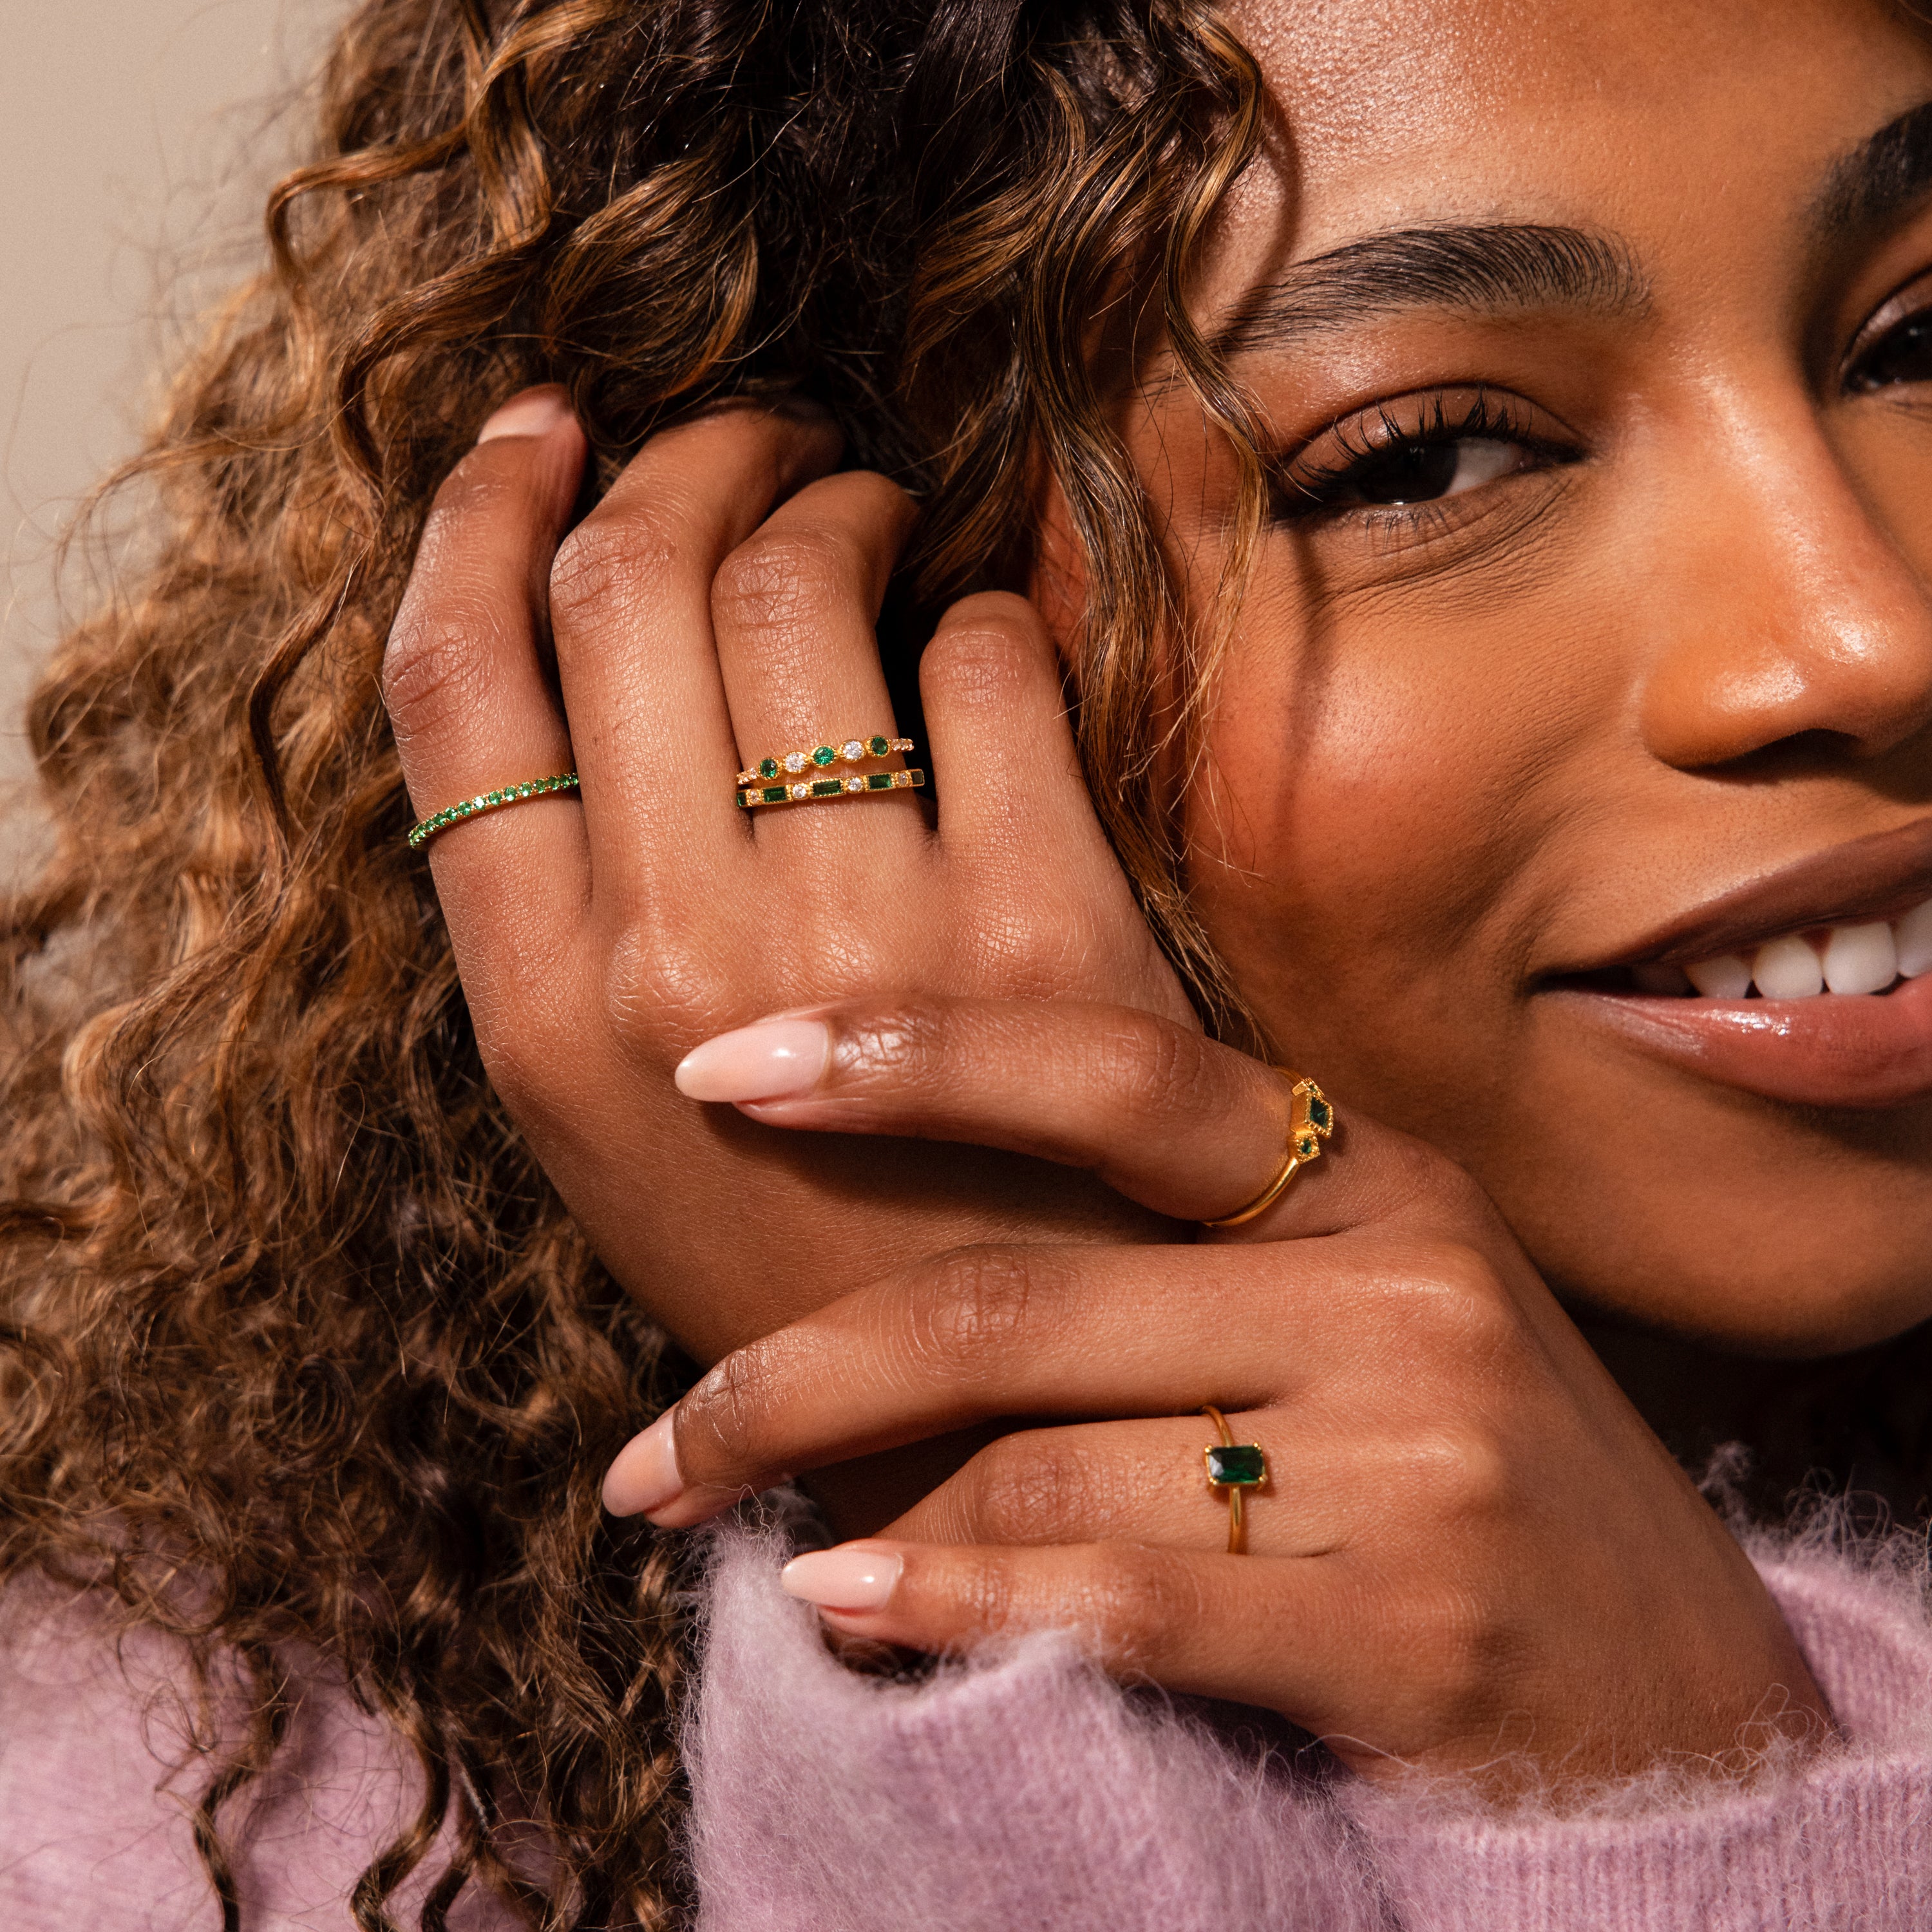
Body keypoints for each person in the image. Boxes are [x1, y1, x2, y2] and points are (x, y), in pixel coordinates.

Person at [5, 0, 1932, 1925]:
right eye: (1420, 463)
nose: (1861, 635)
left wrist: (1659, 1754)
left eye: (1919, 343)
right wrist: (1039, 1504)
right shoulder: (169, 1833)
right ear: (785, 677)